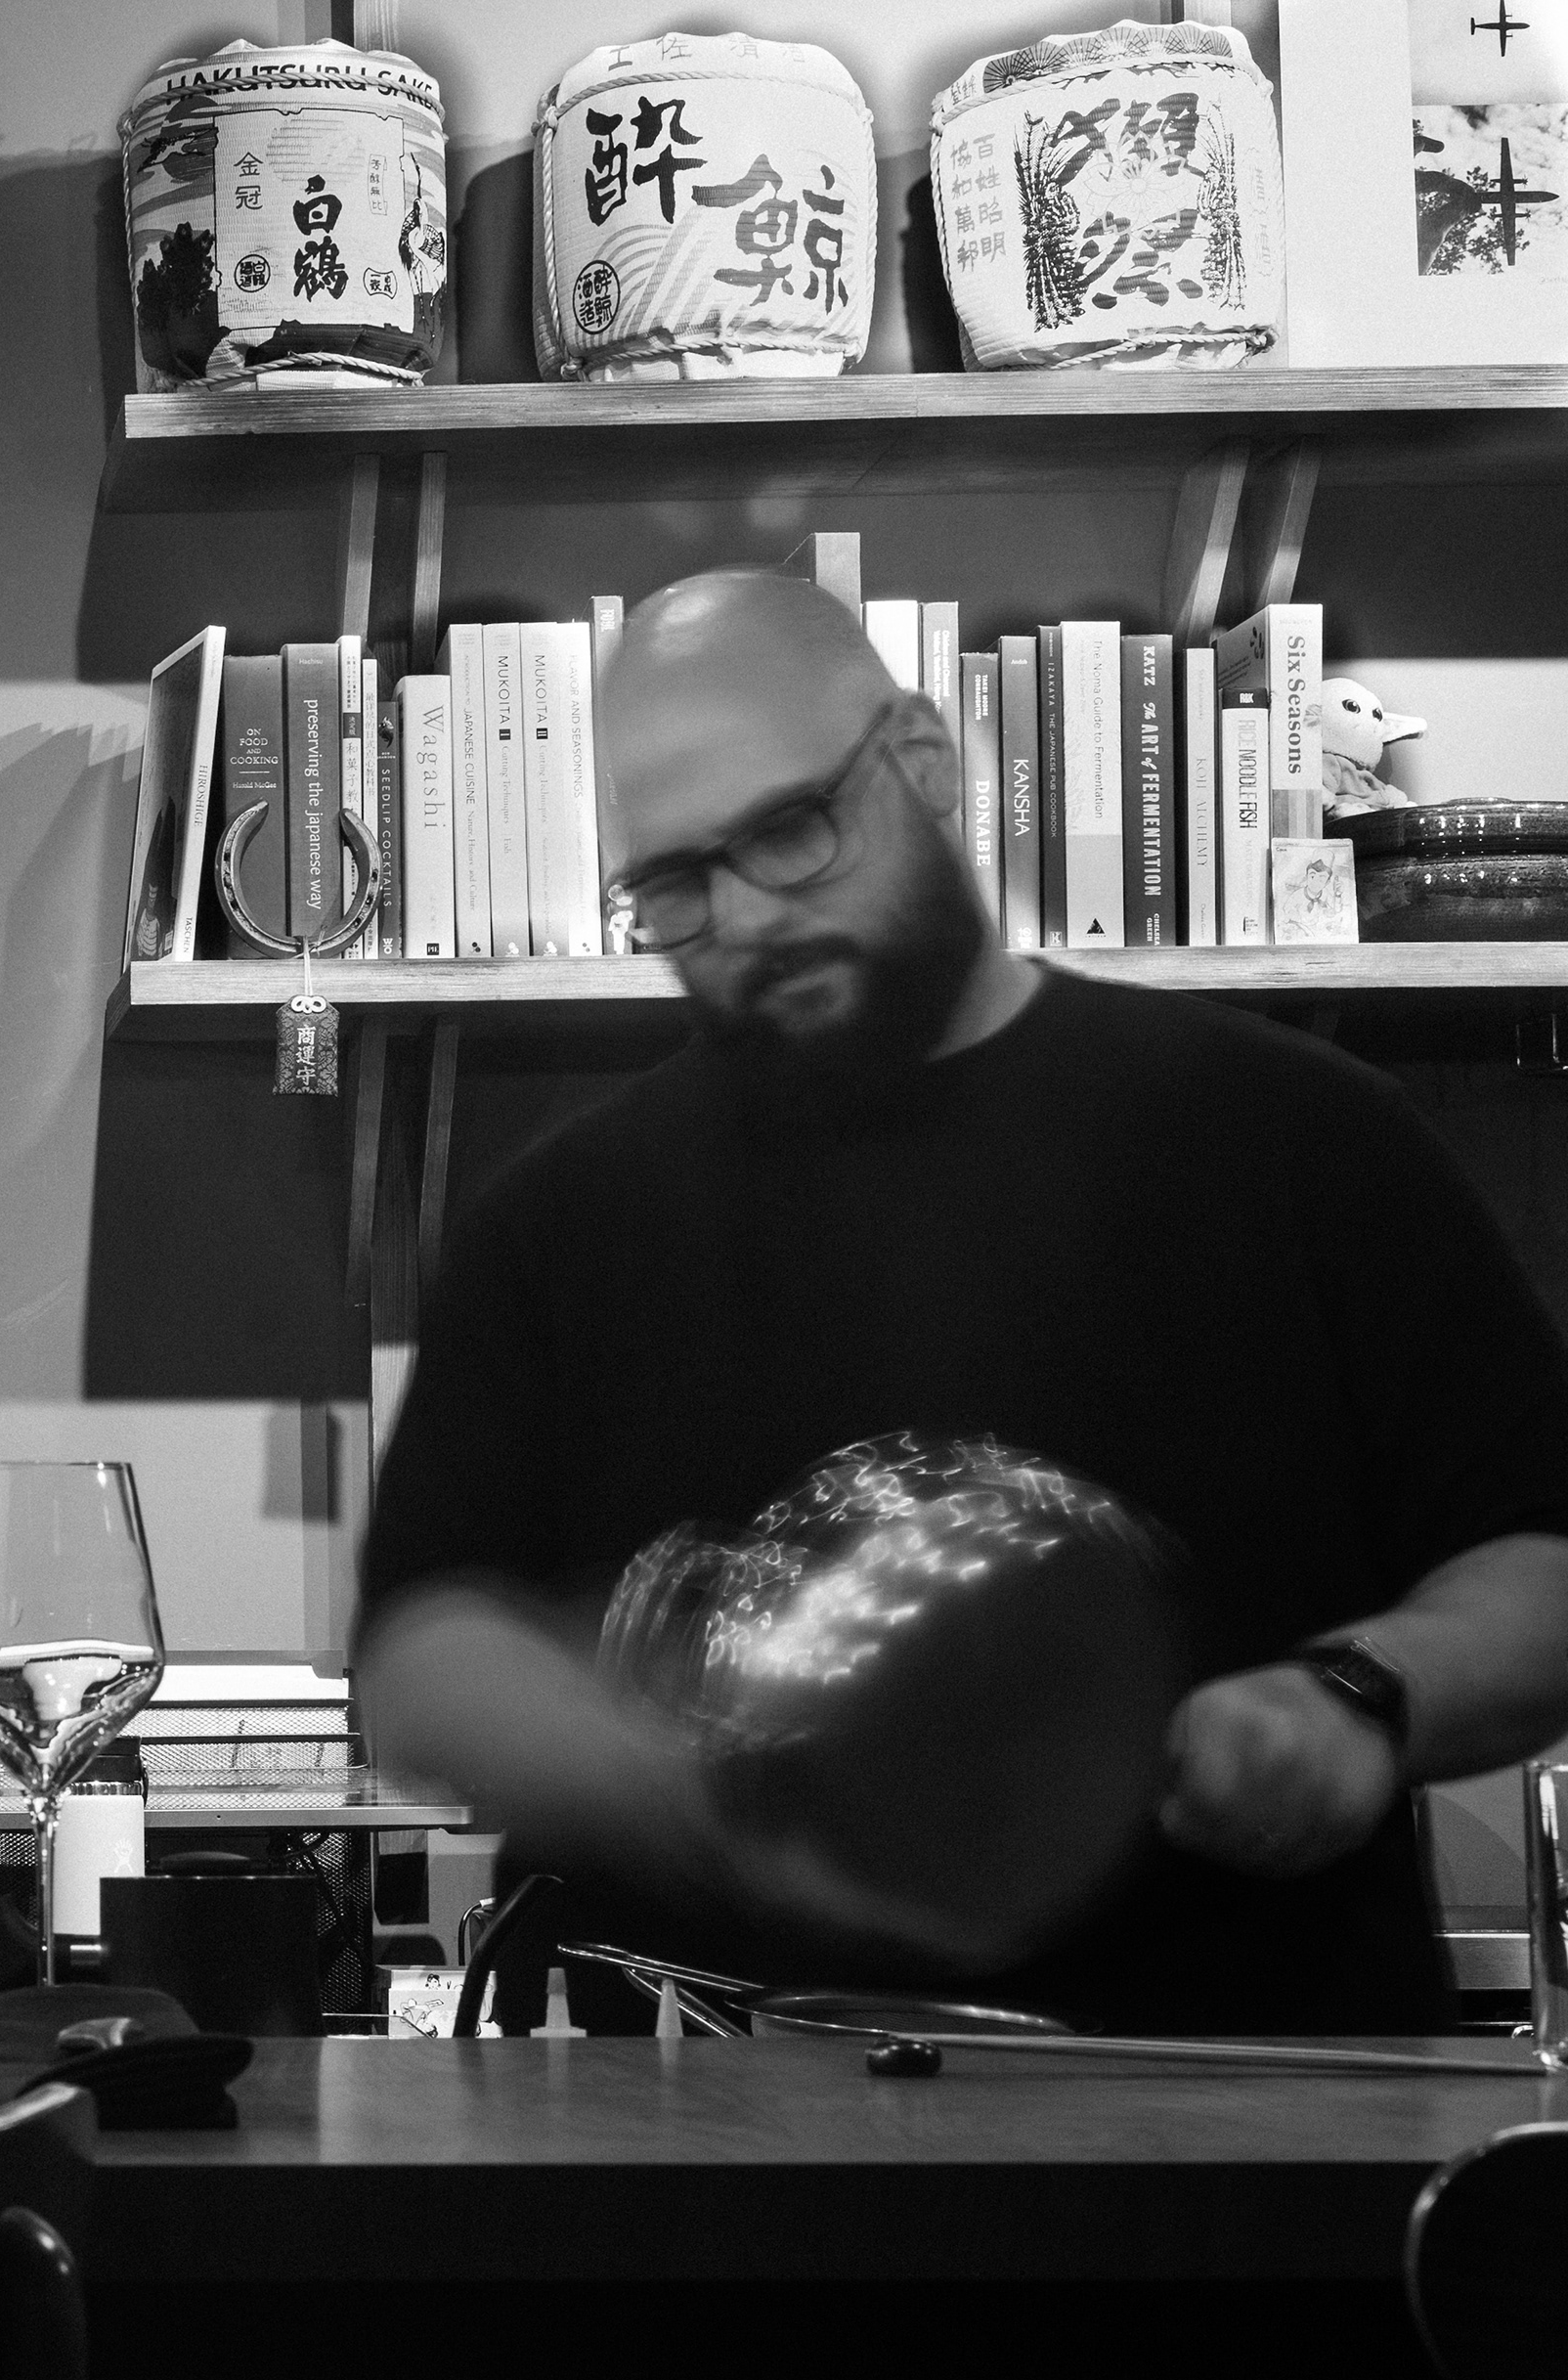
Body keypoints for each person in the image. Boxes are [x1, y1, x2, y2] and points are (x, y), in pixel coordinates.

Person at [356, 569, 1568, 2033]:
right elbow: (421, 1650)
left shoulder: (1300, 1137)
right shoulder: (561, 1221)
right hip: (712, 2116)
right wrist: (683, 1784)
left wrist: (1361, 1694)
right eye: (674, 884)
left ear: (922, 762)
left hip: (1246, 2106)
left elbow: (1542, 1558)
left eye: (789, 833)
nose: (742, 917)